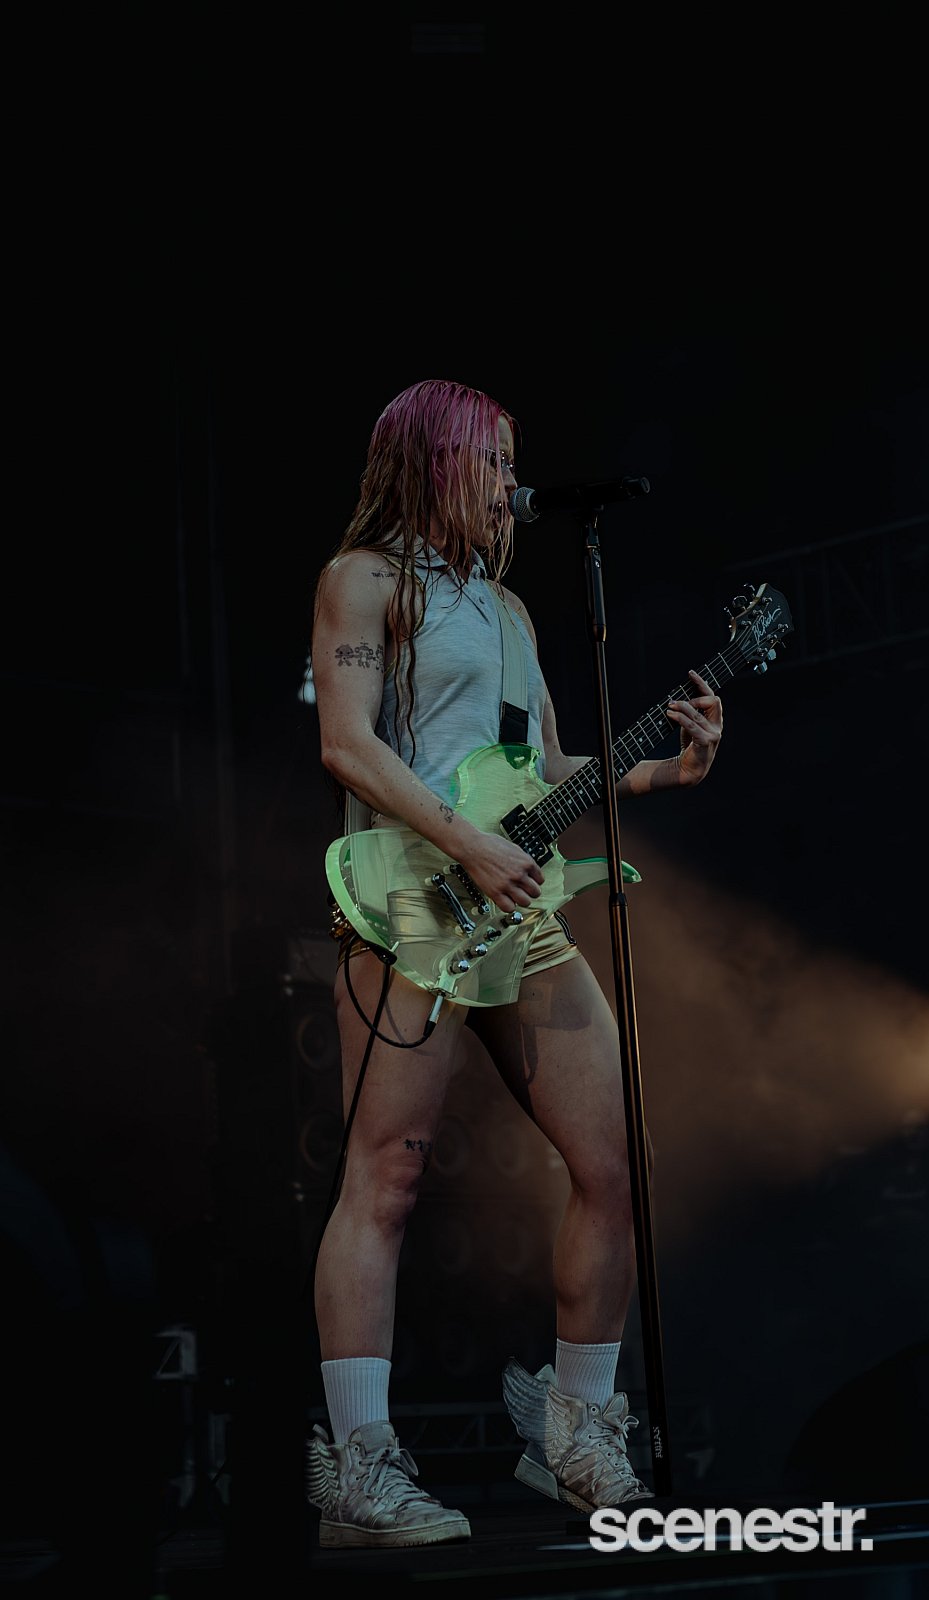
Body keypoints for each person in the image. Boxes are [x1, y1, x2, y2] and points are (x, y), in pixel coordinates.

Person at [306, 379, 723, 1548]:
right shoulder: (362, 580)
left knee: (616, 1163)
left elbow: (538, 767)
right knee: (386, 1177)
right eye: (490, 459)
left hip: (517, 909)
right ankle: (359, 1470)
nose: (508, 482)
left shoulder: (507, 610)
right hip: (406, 903)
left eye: (510, 461)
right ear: (435, 460)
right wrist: (468, 845)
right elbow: (346, 744)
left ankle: (577, 1437)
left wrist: (661, 770)